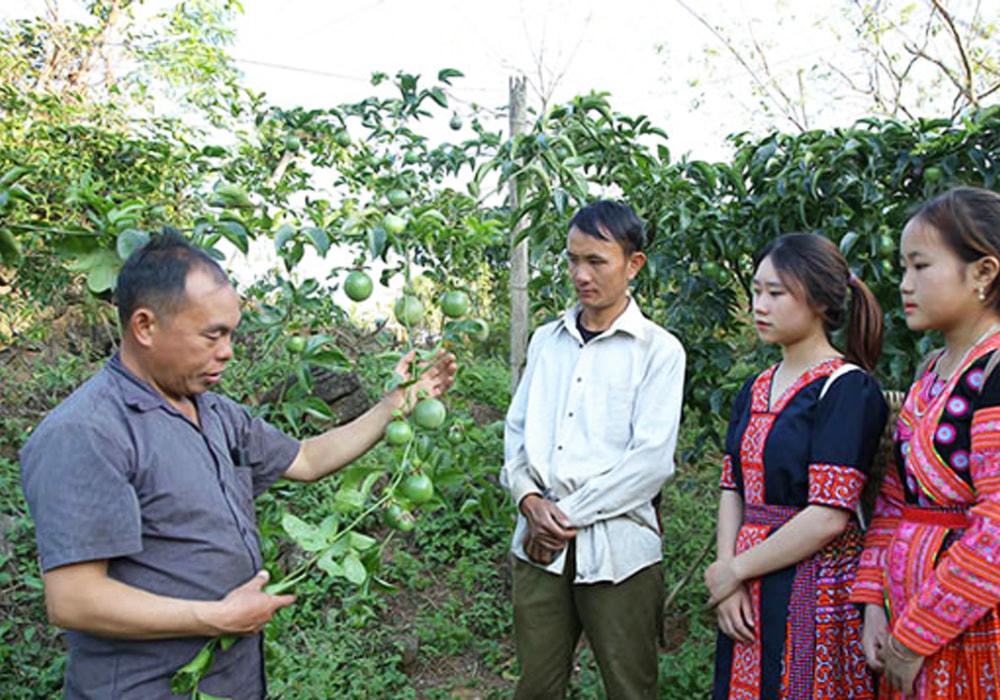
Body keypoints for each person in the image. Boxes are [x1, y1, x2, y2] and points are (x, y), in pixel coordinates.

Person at [18, 230, 456, 699]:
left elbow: (306, 458)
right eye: (213, 335)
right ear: (145, 327)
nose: (226, 351)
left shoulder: (214, 412)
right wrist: (212, 617)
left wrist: (397, 402)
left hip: (231, 681)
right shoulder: (88, 431)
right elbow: (74, 600)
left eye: (230, 333)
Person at [500, 199, 685, 699]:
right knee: (537, 686)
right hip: (539, 552)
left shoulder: (658, 350)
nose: (581, 275)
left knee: (630, 687)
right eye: (572, 260)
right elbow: (516, 434)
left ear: (633, 264)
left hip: (619, 553)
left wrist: (557, 517)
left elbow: (649, 463)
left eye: (596, 261)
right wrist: (528, 501)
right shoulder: (546, 342)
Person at [708, 232, 888, 699]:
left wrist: (736, 569)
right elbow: (734, 486)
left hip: (813, 584)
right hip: (748, 581)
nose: (759, 305)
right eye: (756, 291)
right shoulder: (755, 387)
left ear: (820, 302)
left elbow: (829, 515)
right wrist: (728, 576)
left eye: (776, 293)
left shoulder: (847, 389)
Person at [851, 187, 1000, 698]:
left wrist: (917, 635)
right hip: (904, 617)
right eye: (903, 267)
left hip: (976, 626)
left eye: (920, 266)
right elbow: (895, 497)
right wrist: (874, 603)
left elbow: (997, 528)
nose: (904, 284)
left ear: (983, 272)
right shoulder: (930, 373)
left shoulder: (995, 374)